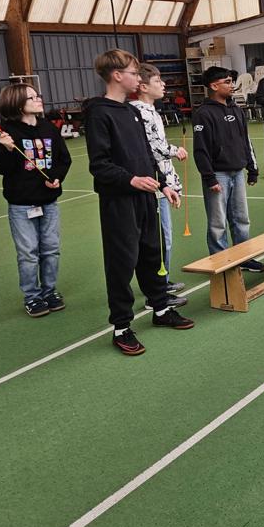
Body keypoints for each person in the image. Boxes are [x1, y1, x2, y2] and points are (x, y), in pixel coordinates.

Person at [85, 49, 193, 357]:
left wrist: (164, 185)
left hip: (147, 197)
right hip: (119, 201)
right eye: (133, 73)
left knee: (152, 254)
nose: (138, 78)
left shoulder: (132, 112)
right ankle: (121, 327)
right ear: (117, 75)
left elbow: (147, 155)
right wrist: (131, 180)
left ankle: (161, 309)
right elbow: (99, 165)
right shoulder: (99, 112)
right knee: (122, 262)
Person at [0, 83, 72, 318]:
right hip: (22, 205)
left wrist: (56, 177)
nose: (39, 99)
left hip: (48, 202)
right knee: (28, 252)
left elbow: (63, 159)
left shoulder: (49, 128)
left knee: (51, 249)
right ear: (18, 104)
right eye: (32, 97)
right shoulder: (6, 133)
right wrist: (6, 149)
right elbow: (1, 168)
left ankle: (49, 291)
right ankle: (32, 296)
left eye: (38, 95)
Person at [193, 66, 264, 272]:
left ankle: (243, 258)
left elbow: (245, 141)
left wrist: (252, 168)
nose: (232, 85)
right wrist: (210, 178)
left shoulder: (236, 109)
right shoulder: (203, 114)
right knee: (217, 223)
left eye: (231, 81)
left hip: (238, 173)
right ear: (214, 86)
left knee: (241, 219)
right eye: (227, 82)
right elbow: (200, 150)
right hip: (218, 175)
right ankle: (220, 262)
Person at [131, 63, 189, 298]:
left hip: (162, 182)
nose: (163, 84)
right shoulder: (140, 112)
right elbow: (153, 147)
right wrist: (176, 150)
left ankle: (161, 281)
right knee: (161, 238)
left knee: (165, 237)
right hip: (153, 184)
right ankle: (156, 288)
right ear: (143, 86)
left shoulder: (152, 111)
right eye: (157, 81)